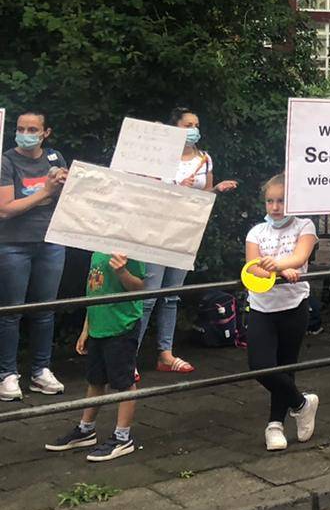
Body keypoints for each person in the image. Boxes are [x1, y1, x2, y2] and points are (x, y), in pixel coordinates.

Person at [134, 108, 239, 375]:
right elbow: (143, 192)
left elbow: (204, 196)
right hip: (156, 231)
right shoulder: (159, 157)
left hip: (185, 233)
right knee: (148, 297)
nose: (194, 130)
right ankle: (128, 356)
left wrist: (217, 189)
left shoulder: (205, 159)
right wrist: (177, 189)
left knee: (171, 296)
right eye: (188, 125)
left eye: (196, 125)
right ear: (175, 128)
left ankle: (165, 354)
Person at [44, 252, 146, 462]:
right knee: (95, 380)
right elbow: (94, 292)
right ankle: (86, 429)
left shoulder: (131, 251)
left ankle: (122, 436)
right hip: (98, 325)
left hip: (121, 325)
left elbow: (138, 289)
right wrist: (86, 329)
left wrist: (122, 271)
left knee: (124, 382)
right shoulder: (97, 251)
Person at [243, 175, 320, 451]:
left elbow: (300, 257)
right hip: (262, 306)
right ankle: (302, 404)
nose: (275, 207)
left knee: (286, 366)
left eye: (281, 201)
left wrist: (279, 265)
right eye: (270, 201)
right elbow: (253, 266)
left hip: (294, 305)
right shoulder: (256, 232)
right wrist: (279, 270)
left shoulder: (305, 225)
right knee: (261, 366)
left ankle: (275, 425)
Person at [0, 111, 69, 401]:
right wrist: (46, 192)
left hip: (51, 242)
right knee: (11, 312)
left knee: (45, 310)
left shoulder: (55, 158)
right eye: (21, 128)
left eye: (32, 129)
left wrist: (64, 186)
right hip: (13, 244)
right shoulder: (6, 161)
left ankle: (41, 370)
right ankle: (7, 374)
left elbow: (66, 199)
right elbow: (5, 209)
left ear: (45, 132)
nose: (25, 134)